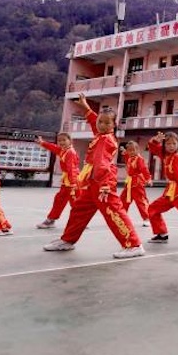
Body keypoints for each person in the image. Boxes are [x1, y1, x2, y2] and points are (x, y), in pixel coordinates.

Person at [43, 94, 144, 258]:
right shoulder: (100, 135)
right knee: (79, 209)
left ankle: (134, 244)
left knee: (114, 212)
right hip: (92, 182)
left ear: (113, 125)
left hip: (103, 183)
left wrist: (105, 185)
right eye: (100, 122)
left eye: (107, 122)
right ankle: (68, 240)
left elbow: (102, 164)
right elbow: (93, 121)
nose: (102, 125)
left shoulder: (106, 140)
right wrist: (86, 107)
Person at [35, 132, 81, 229]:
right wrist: (42, 143)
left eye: (64, 140)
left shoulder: (70, 153)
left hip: (72, 182)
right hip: (67, 181)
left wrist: (73, 183)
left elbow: (71, 168)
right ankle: (51, 219)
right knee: (59, 200)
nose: (61, 142)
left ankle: (80, 221)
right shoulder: (63, 150)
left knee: (75, 202)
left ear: (70, 141)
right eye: (59, 140)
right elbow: (54, 147)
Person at [119, 141, 151, 228]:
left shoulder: (139, 159)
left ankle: (147, 218)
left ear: (138, 150)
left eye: (134, 150)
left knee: (141, 201)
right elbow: (126, 158)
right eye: (130, 150)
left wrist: (148, 178)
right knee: (123, 200)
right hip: (129, 183)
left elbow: (144, 169)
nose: (132, 152)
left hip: (137, 184)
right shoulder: (129, 157)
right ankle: (122, 217)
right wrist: (124, 152)